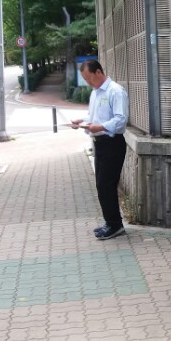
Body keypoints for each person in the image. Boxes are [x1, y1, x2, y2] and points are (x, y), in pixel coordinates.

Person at [71, 60, 129, 240]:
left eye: (89, 78)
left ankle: (115, 225)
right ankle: (110, 222)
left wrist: (101, 127)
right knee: (101, 185)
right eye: (85, 79)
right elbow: (93, 117)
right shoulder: (95, 93)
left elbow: (121, 119)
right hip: (100, 144)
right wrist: (82, 122)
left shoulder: (115, 91)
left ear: (98, 72)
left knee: (106, 184)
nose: (88, 82)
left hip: (113, 143)